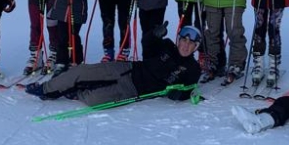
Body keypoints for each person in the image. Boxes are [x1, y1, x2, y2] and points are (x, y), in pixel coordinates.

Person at [25, 23, 202, 105]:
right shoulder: (167, 46)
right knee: (83, 71)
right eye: (183, 40)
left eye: (191, 43)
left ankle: (76, 92)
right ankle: (46, 89)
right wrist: (154, 34)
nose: (186, 45)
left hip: (135, 90)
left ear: (196, 47)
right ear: (178, 40)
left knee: (95, 100)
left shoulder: (192, 68)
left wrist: (178, 94)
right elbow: (148, 44)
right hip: (127, 68)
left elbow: (187, 89)